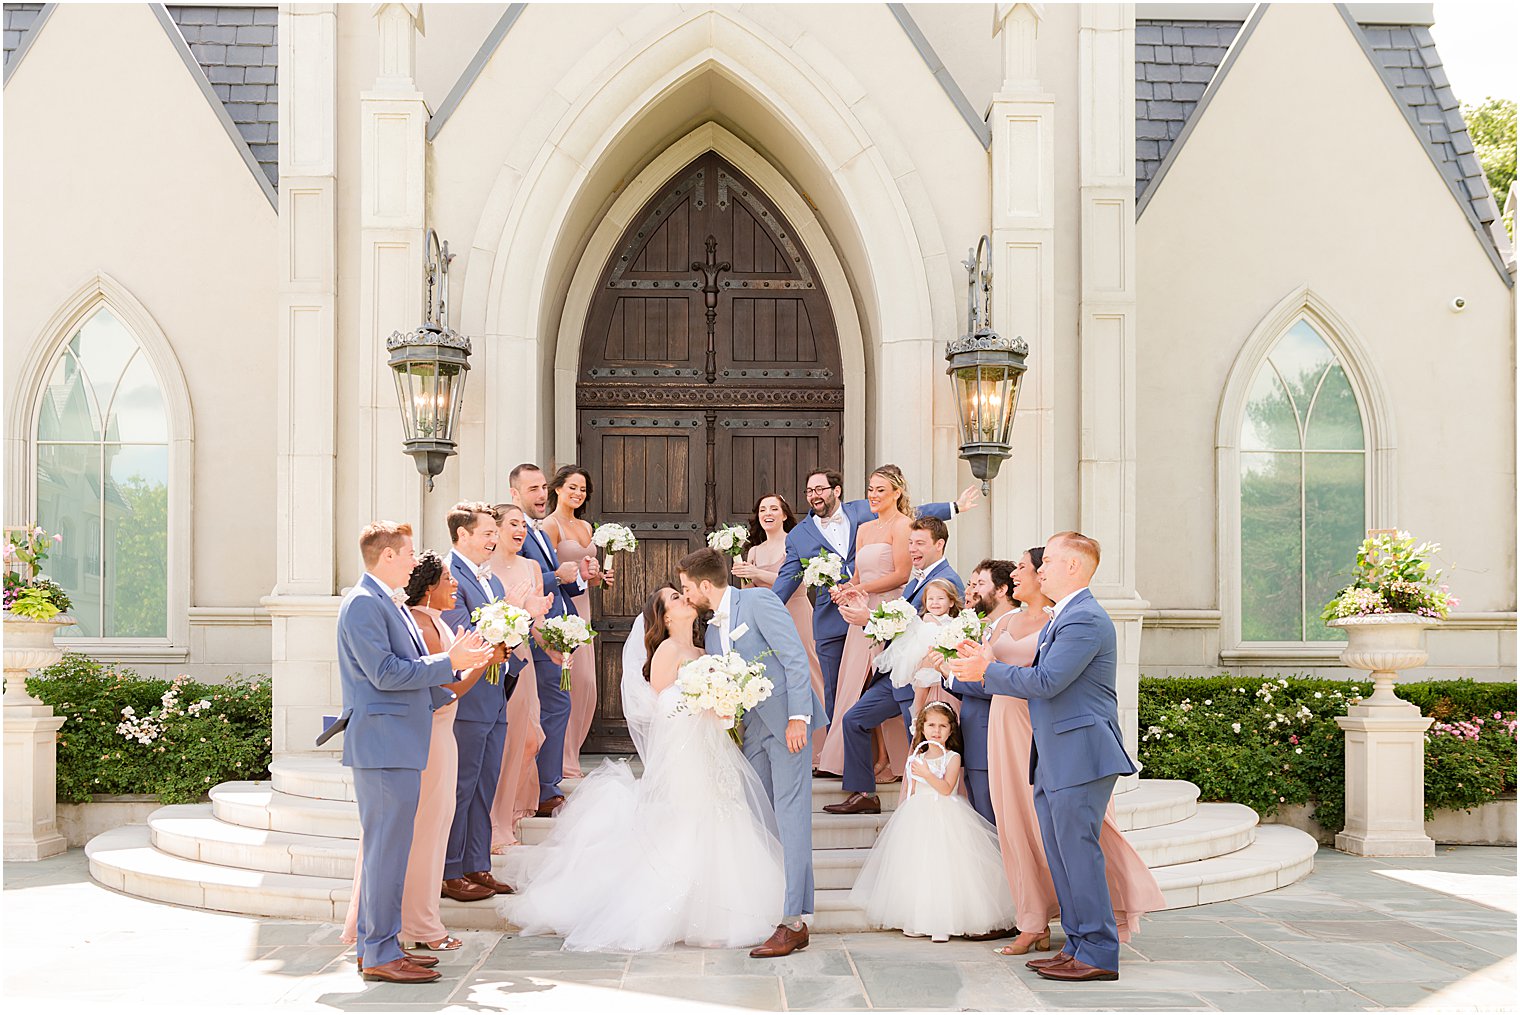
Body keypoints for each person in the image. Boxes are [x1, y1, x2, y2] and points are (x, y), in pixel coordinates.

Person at [498, 586, 786, 951]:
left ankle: (723, 901)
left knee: (722, 813)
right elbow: (662, 704)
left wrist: (721, 706)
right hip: (684, 750)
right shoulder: (666, 650)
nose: (685, 599)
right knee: (689, 818)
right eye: (676, 599)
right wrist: (703, 702)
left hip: (712, 749)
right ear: (665, 617)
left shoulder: (705, 648)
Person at [948, 532, 1146, 983]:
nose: (1041, 570)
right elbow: (1038, 676)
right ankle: (1075, 944)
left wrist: (988, 671)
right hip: (1055, 754)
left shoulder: (1085, 620)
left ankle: (1098, 953)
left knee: (1079, 854)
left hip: (1081, 754)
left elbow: (1046, 681)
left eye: (1050, 562)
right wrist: (985, 662)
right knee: (1060, 854)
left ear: (1074, 567)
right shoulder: (1065, 616)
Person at [335, 521, 491, 983]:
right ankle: (382, 953)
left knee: (392, 849)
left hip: (401, 740)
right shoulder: (365, 603)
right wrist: (449, 663)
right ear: (386, 557)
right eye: (407, 555)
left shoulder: (389, 602)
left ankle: (377, 945)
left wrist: (455, 680)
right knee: (386, 851)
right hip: (385, 746)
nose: (413, 562)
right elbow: (384, 673)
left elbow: (406, 672)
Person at [680, 547, 827, 959]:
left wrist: (798, 717)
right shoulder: (711, 631)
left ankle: (794, 922)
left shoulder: (759, 601)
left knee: (791, 815)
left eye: (687, 587)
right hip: (752, 731)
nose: (686, 594)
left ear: (706, 585)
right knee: (759, 815)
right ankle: (771, 902)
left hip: (787, 725)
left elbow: (794, 659)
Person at [770, 469, 970, 724]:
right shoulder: (799, 535)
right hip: (832, 618)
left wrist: (955, 507)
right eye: (809, 491)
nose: (814, 495)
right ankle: (840, 754)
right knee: (839, 690)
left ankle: (885, 756)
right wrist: (766, 610)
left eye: (820, 489)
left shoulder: (865, 510)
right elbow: (787, 579)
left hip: (882, 612)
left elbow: (911, 513)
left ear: (836, 490)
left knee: (882, 682)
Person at [821, 500, 964, 805]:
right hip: (897, 673)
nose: (913, 549)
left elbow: (928, 634)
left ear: (939, 545)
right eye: (910, 542)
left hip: (922, 680)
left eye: (920, 543)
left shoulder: (946, 581)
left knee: (920, 742)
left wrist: (868, 620)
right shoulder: (919, 578)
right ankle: (863, 793)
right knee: (854, 719)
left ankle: (919, 804)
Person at [847, 702, 1015, 942]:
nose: (937, 731)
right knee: (919, 866)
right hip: (918, 814)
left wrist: (927, 773)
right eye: (932, 725)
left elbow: (947, 789)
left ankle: (944, 922)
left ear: (950, 730)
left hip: (947, 813)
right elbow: (912, 789)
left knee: (945, 867)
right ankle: (918, 918)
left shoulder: (953, 758)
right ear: (922, 729)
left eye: (943, 726)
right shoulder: (916, 757)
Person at [440, 502, 524, 902]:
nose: (495, 539)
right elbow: (458, 629)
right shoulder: (449, 575)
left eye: (495, 532)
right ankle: (450, 870)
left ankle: (477, 864)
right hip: (468, 694)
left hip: (495, 693)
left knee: (485, 781)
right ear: (463, 535)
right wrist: (495, 639)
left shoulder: (490, 579)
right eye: (488, 533)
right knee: (462, 783)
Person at [510, 463, 602, 817]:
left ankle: (546, 785)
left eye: (542, 487)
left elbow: (562, 578)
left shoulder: (534, 531)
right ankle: (544, 788)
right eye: (533, 489)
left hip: (558, 626)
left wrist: (581, 578)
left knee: (557, 704)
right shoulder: (516, 531)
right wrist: (555, 577)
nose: (540, 494)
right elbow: (516, 577)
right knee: (551, 705)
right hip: (536, 630)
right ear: (514, 493)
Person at [731, 492, 827, 764]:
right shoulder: (754, 551)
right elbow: (749, 591)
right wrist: (744, 578)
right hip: (765, 619)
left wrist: (758, 574)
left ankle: (819, 748)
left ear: (785, 514)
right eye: (763, 509)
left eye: (774, 508)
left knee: (808, 670)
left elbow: (799, 583)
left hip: (795, 612)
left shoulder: (794, 543)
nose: (768, 513)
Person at [487, 503, 554, 851]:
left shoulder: (531, 567)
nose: (520, 531)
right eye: (513, 524)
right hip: (499, 663)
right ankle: (496, 824)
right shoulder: (485, 571)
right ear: (495, 529)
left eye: (523, 526)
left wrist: (555, 647)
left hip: (524, 660)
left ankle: (508, 813)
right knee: (506, 743)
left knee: (529, 741)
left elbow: (538, 620)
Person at [541, 465, 601, 780]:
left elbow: (583, 576)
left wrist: (598, 578)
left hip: (584, 606)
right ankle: (561, 760)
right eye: (572, 487)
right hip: (564, 609)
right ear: (558, 488)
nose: (578, 494)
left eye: (583, 489)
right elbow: (553, 573)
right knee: (570, 680)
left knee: (586, 683)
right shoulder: (550, 526)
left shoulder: (586, 525)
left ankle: (572, 752)